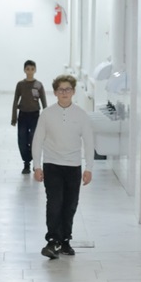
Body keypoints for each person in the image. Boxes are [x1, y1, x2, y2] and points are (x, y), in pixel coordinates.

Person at [32, 74, 94, 259]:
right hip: (52, 164)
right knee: (54, 203)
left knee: (70, 205)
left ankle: (65, 240)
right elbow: (38, 140)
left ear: (73, 92)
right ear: (55, 92)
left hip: (73, 166)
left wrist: (89, 168)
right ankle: (52, 240)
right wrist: (37, 166)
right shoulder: (47, 114)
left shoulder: (81, 115)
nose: (64, 93)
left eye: (68, 89)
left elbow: (89, 142)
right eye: (60, 90)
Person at [11, 60, 47, 175]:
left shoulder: (38, 85)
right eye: (28, 69)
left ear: (35, 70)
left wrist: (46, 118)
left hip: (35, 115)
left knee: (34, 139)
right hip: (23, 115)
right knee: (22, 139)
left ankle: (35, 162)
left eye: (32, 69)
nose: (30, 71)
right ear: (24, 70)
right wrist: (14, 117)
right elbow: (15, 100)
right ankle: (26, 163)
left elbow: (43, 101)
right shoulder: (20, 85)